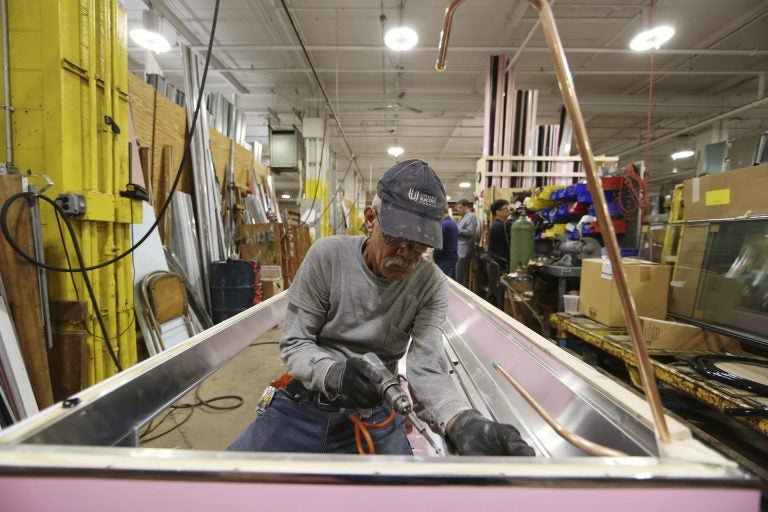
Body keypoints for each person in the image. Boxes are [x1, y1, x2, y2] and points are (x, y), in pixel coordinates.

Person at [228, 159, 534, 457]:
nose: (406, 256)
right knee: (222, 485)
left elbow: (427, 366)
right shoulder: (327, 256)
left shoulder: (430, 284)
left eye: (419, 246)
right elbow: (295, 342)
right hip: (304, 407)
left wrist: (461, 421)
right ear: (371, 219)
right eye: (398, 239)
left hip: (375, 414)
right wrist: (333, 373)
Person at [455, 199, 478, 288]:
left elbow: (470, 232)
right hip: (460, 250)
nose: (458, 210)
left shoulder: (471, 216)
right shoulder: (463, 217)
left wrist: (456, 229)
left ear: (466, 207)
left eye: (460, 208)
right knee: (459, 276)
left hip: (464, 251)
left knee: (462, 277)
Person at [433, 206, 458, 279]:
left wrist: (434, 256)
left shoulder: (444, 225)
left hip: (444, 260)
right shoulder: (452, 223)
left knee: (444, 282)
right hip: (451, 258)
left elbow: (439, 244)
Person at [487, 199, 511, 271]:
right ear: (497, 212)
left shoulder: (500, 224)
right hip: (498, 264)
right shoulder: (499, 226)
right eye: (505, 208)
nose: (508, 210)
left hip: (497, 262)